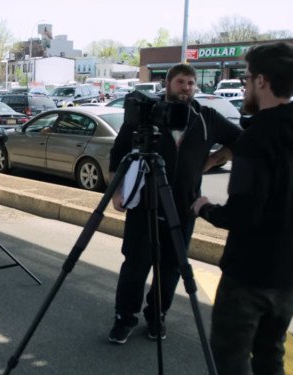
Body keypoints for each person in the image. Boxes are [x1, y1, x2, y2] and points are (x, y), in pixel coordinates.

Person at [191, 42, 293, 375]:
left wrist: (203, 207)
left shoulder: (256, 139)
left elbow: (240, 214)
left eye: (246, 79)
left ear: (262, 81)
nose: (244, 86)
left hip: (248, 275)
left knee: (231, 356)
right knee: (271, 353)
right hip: (290, 273)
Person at [107, 63, 243, 345]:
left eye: (192, 83)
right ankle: (124, 318)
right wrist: (117, 191)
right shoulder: (148, 115)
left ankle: (157, 316)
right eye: (181, 82)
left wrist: (214, 160)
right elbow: (118, 152)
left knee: (170, 268)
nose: (187, 88)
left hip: (184, 207)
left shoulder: (206, 117)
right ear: (168, 84)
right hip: (144, 205)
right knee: (135, 264)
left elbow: (239, 140)